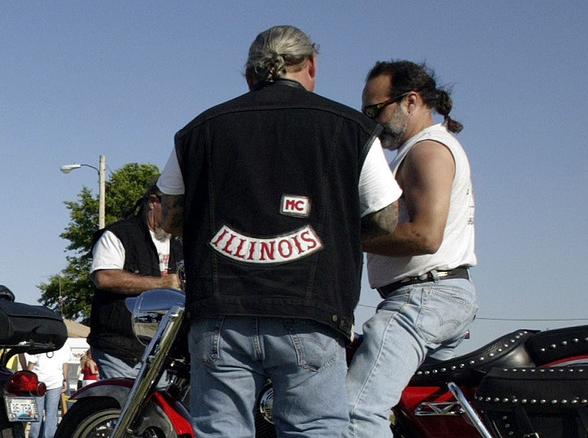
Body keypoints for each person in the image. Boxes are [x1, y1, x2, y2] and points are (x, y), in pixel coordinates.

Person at [157, 25, 401, 438]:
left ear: (250, 75)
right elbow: (385, 219)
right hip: (311, 309)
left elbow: (169, 218)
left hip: (220, 310)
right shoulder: (351, 129)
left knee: (220, 431)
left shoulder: (198, 130)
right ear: (311, 65)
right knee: (315, 430)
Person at [344, 61, 479, 438]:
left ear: (411, 101)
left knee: (356, 412)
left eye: (375, 110)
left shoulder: (427, 150)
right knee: (417, 417)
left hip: (423, 297)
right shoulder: (422, 149)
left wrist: (344, 237)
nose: (370, 121)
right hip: (438, 296)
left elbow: (425, 236)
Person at [87, 181, 183, 379]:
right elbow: (104, 277)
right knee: (123, 405)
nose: (178, 214)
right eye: (173, 206)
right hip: (120, 348)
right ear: (153, 201)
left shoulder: (179, 243)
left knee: (160, 410)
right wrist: (162, 284)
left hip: (163, 352)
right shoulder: (119, 234)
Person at [18, 344, 71, 438]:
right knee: (52, 413)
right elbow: (65, 363)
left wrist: (27, 376)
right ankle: (49, 436)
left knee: (36, 413)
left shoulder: (39, 341)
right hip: (55, 380)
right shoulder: (63, 343)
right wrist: (65, 379)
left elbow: (32, 362)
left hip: (38, 381)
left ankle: (35, 435)